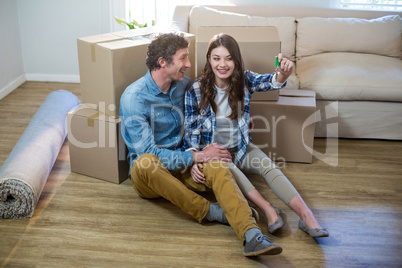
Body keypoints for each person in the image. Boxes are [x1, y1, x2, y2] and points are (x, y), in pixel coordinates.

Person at [120, 32, 284, 257]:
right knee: (145, 162)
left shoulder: (183, 85)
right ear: (163, 62)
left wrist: (237, 122)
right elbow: (148, 151)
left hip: (185, 163)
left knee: (218, 163)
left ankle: (252, 235)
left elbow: (203, 117)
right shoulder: (134, 98)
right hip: (152, 175)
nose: (188, 64)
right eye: (183, 59)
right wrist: (196, 157)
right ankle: (211, 212)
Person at [183, 33, 329, 238]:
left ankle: (307, 216)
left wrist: (283, 73)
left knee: (270, 167)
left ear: (236, 60)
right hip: (217, 155)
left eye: (228, 58)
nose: (222, 64)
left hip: (242, 148)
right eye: (216, 58)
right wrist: (193, 158)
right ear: (209, 59)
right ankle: (268, 209)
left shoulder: (245, 80)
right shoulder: (195, 89)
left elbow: (271, 81)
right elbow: (191, 130)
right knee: (232, 172)